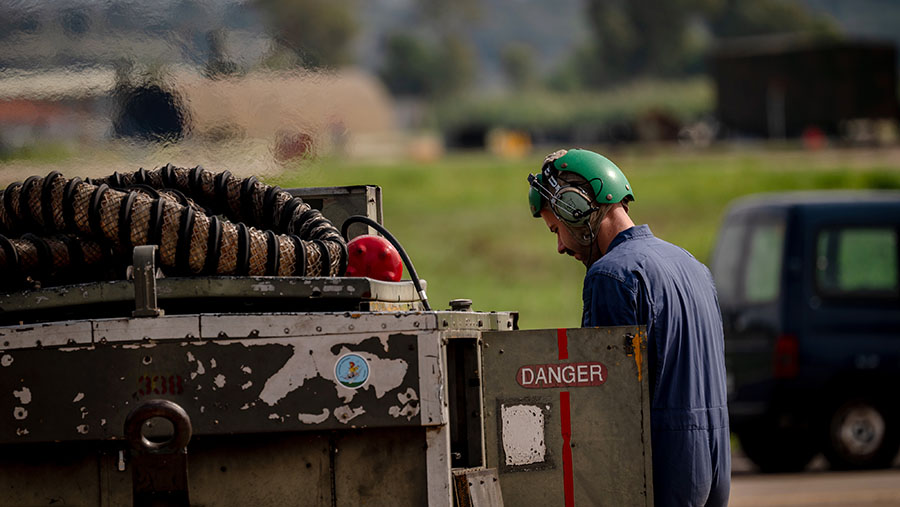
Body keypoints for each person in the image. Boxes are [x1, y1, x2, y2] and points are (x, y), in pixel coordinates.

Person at [528, 148, 730, 507]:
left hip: (661, 476)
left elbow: (605, 408)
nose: (559, 246)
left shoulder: (611, 276)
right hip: (713, 471)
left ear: (576, 210)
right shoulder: (693, 267)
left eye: (556, 229)